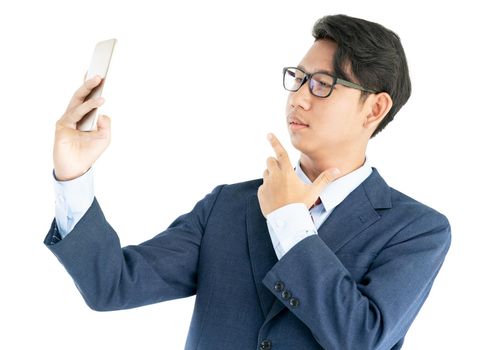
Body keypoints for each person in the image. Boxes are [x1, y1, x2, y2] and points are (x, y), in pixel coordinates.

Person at [44, 14, 451, 350]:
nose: (299, 97)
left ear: (375, 108)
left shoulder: (417, 230)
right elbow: (112, 285)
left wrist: (290, 221)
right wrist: (74, 175)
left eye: (323, 84)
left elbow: (360, 338)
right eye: (298, 77)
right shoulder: (228, 205)